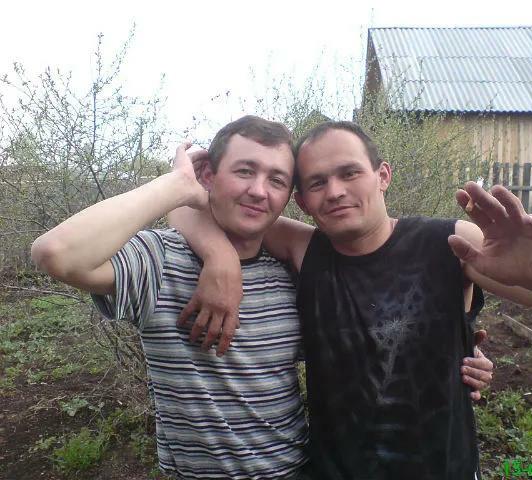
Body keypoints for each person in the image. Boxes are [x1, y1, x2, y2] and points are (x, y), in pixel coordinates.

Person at [30, 116, 493, 480]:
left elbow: (366, 338)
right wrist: (178, 190)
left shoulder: (295, 270)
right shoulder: (160, 261)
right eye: (244, 171)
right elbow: (58, 253)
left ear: (290, 197)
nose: (258, 190)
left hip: (300, 470)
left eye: (277, 179)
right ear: (208, 175)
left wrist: (453, 355)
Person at [174, 120, 532, 480]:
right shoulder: (304, 249)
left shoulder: (448, 244)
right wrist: (220, 257)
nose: (335, 191)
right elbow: (190, 203)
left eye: (350, 173)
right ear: (303, 201)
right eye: (317, 182)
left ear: (382, 175)